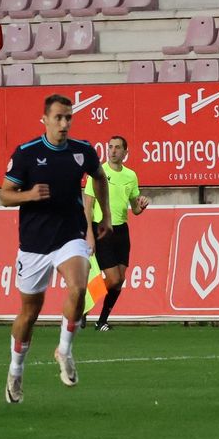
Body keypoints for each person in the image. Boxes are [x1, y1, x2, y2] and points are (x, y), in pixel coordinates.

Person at [0, 93, 109, 404]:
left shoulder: (82, 150)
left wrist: (106, 216)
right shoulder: (26, 154)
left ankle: (64, 349)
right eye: (58, 118)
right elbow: (4, 195)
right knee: (28, 313)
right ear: (44, 120)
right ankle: (16, 371)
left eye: (68, 118)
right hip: (34, 245)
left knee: (78, 286)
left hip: (69, 235)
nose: (64, 124)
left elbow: (99, 178)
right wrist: (29, 195)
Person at [88, 134, 147, 330]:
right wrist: (89, 233)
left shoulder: (131, 176)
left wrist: (142, 205)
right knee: (112, 278)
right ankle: (82, 305)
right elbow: (87, 205)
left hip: (122, 230)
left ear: (125, 152)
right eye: (110, 147)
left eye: (117, 148)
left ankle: (102, 320)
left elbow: (135, 209)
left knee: (120, 280)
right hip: (102, 228)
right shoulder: (98, 172)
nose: (113, 151)